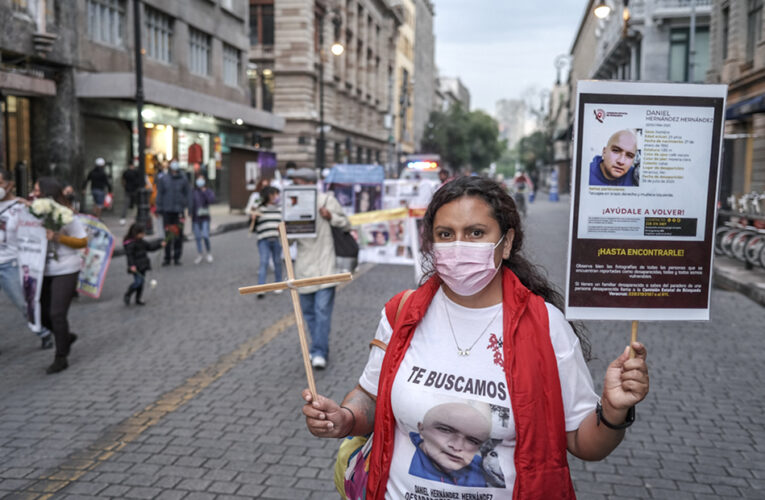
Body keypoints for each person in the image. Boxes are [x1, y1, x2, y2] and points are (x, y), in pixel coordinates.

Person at [302, 176, 649, 499]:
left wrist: (614, 411)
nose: (459, 246)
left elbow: (583, 443)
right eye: (446, 234)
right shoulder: (402, 313)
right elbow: (371, 395)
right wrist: (345, 418)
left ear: (507, 242)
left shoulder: (546, 326)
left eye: (476, 233)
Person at [290, 167, 350, 369]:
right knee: (308, 313)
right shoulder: (293, 204)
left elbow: (346, 224)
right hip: (303, 267)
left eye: (297, 183)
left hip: (326, 266)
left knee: (322, 311)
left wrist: (330, 216)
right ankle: (318, 344)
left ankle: (319, 351)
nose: (294, 187)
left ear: (308, 183)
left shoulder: (327, 201)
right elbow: (287, 239)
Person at [35, 177, 88, 374]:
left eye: (37, 190)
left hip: (66, 268)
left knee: (57, 313)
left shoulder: (67, 216)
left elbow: (82, 241)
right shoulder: (35, 213)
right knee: (39, 314)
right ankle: (64, 336)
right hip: (40, 269)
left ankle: (61, 356)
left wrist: (58, 237)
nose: (34, 194)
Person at [0, 169, 53, 350]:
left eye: (0, 183)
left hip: (11, 264)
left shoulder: (20, 207)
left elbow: (43, 224)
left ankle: (43, 332)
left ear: (10, 185)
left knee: (24, 303)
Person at [409, 400, 493, 486]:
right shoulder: (405, 455)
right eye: (445, 430)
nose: (457, 446)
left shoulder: (481, 466)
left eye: (472, 440)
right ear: (422, 429)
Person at [155, 160, 190, 266]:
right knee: (167, 234)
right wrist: (159, 208)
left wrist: (187, 205)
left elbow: (187, 193)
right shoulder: (164, 179)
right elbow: (160, 194)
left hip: (179, 211)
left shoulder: (183, 179)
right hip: (167, 210)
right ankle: (167, 257)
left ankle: (177, 257)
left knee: (178, 235)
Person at [252, 185, 283, 299]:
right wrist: (253, 219)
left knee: (277, 261)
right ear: (269, 196)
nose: (277, 196)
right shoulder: (259, 209)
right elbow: (253, 227)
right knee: (264, 261)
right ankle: (261, 287)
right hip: (263, 239)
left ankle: (279, 283)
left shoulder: (280, 209)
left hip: (277, 239)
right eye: (275, 194)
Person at [123, 222, 164, 306]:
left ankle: (138, 298)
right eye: (142, 233)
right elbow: (129, 256)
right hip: (136, 266)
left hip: (143, 265)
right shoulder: (130, 244)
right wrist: (131, 265)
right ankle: (128, 293)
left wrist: (160, 245)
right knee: (138, 282)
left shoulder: (142, 242)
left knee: (141, 283)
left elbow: (150, 247)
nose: (143, 235)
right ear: (136, 233)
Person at [191, 174, 215, 264]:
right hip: (195, 218)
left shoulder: (208, 191)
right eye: (198, 179)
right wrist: (189, 212)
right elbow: (190, 202)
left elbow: (212, 200)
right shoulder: (193, 191)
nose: (200, 181)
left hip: (205, 217)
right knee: (197, 237)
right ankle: (200, 253)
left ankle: (208, 252)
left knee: (205, 235)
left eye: (202, 179)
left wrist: (204, 192)